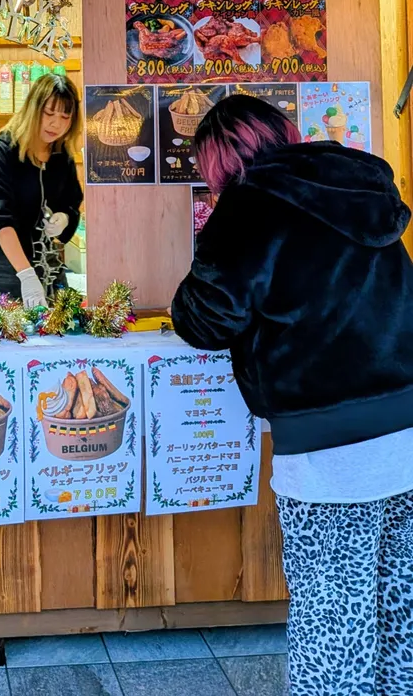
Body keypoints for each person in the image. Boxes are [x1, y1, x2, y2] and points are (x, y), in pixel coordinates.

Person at [170, 93, 413, 696]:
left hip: (326, 449)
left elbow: (205, 318)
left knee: (332, 618)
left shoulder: (248, 204)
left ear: (221, 162)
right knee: (399, 607)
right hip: (408, 429)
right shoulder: (359, 184)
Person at [0, 72, 83, 307]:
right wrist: (26, 274)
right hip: (1, 270)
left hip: (48, 268)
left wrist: (64, 218)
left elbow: (71, 203)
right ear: (33, 109)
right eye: (49, 113)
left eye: (65, 117)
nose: (56, 124)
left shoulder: (62, 157)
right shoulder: (3, 151)